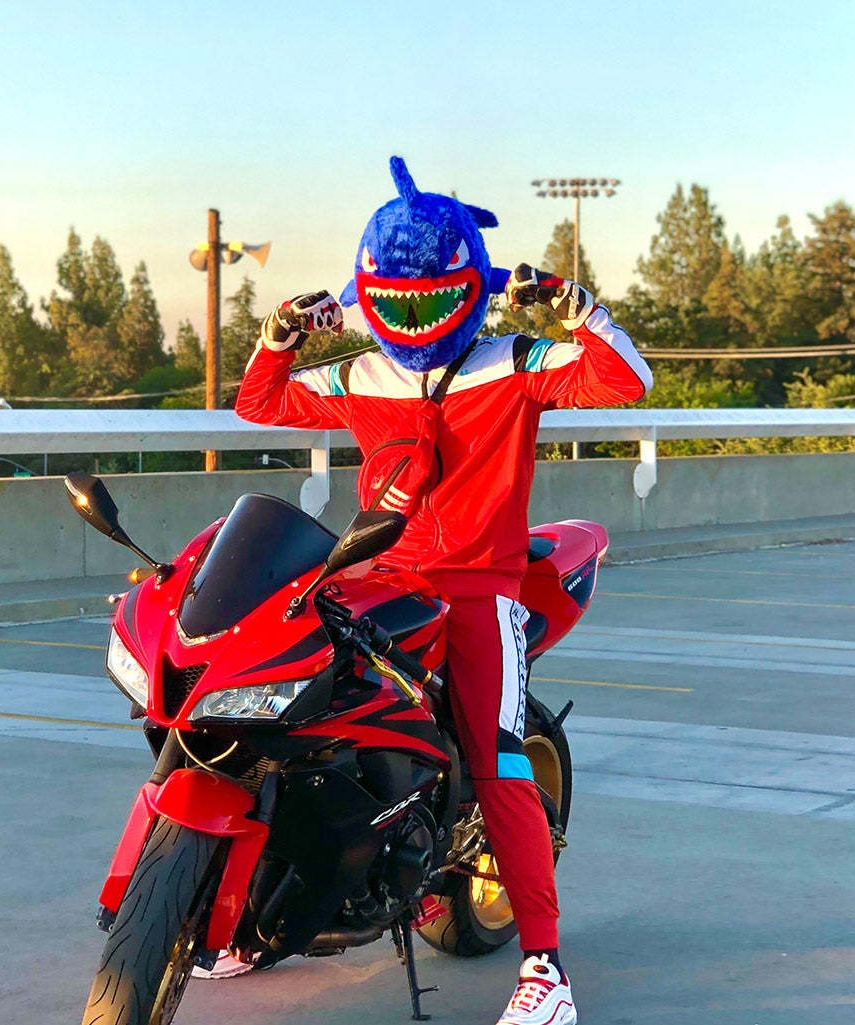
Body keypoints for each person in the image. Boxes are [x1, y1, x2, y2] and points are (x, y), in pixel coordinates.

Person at [232, 157, 652, 1025]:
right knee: (284, 727)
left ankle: (544, 970)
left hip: (478, 592)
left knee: (498, 760)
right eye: (400, 304)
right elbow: (259, 402)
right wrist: (280, 334)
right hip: (375, 581)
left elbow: (625, 380)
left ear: (471, 287)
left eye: (432, 303)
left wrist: (574, 307)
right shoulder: (359, 374)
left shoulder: (517, 361)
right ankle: (252, 921)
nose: (415, 322)